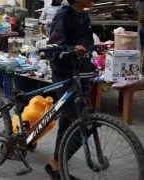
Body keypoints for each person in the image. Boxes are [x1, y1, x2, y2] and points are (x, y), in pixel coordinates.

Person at [45, 0, 95, 179]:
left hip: (80, 74)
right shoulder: (63, 16)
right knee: (87, 122)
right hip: (65, 76)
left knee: (67, 120)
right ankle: (58, 160)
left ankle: (56, 161)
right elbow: (53, 48)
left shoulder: (83, 15)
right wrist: (72, 49)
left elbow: (87, 41)